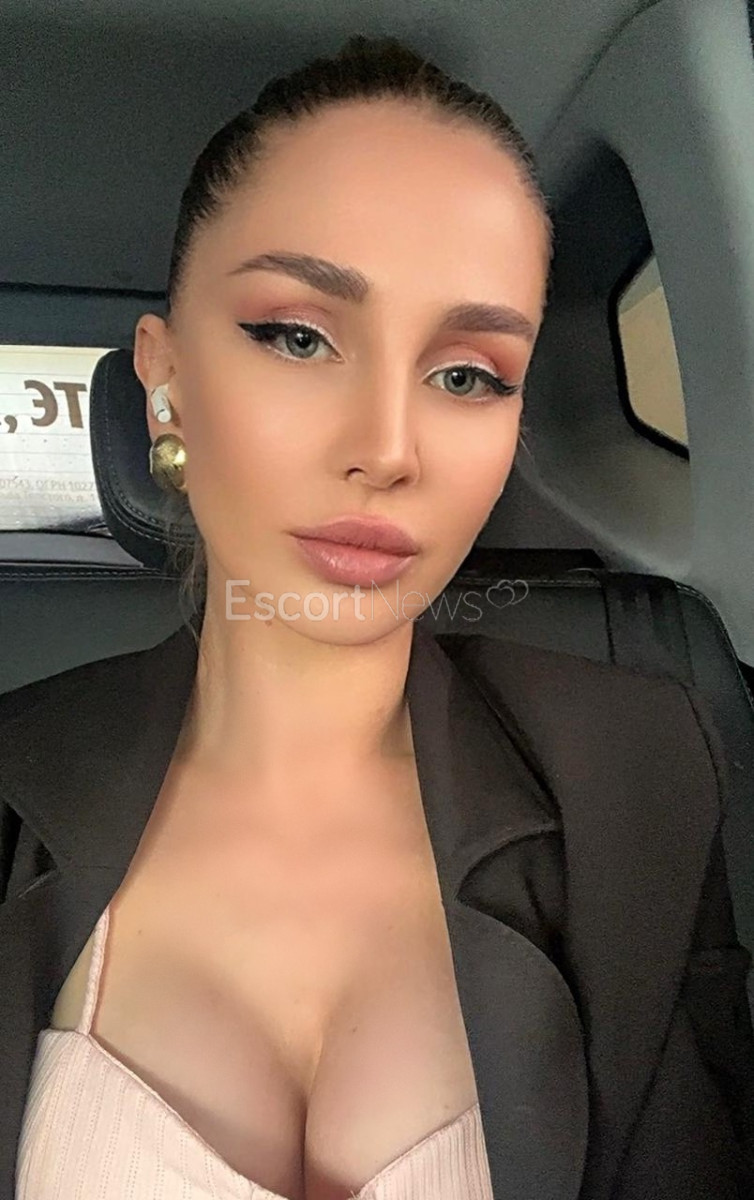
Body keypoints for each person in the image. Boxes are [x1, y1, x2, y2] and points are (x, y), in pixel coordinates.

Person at [2, 33, 753, 1200]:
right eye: (298, 337)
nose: (388, 449)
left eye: (466, 375)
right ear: (165, 380)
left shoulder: (648, 768)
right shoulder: (14, 778)